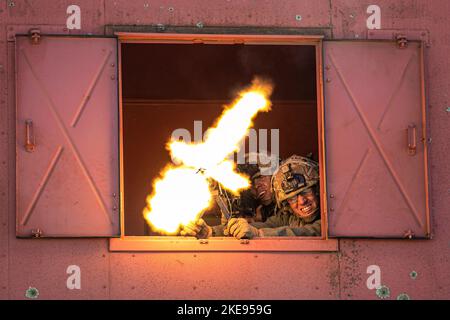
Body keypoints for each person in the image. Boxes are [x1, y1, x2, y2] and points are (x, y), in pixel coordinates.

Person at [181, 155, 321, 239]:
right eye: (292, 198)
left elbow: (312, 232)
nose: (302, 201)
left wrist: (259, 234)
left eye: (305, 192)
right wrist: (211, 232)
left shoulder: (330, 216)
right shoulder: (287, 216)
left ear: (316, 190)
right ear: (286, 203)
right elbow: (260, 226)